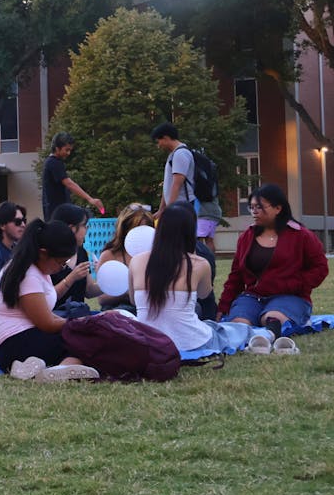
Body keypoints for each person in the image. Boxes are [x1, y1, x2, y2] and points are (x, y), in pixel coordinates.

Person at [129, 202, 274, 353]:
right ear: (190, 231)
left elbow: (134, 301)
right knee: (229, 331)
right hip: (190, 342)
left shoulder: (136, 261)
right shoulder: (198, 263)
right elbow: (204, 294)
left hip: (148, 343)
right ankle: (269, 333)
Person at [0, 219, 100, 381]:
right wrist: (81, 323)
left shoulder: (35, 270)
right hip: (14, 344)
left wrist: (77, 323)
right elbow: (47, 323)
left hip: (16, 342)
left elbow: (47, 315)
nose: (61, 268)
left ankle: (54, 369)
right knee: (83, 342)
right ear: (43, 253)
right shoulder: (28, 275)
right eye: (60, 263)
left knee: (81, 337)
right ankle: (60, 369)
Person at [218, 184, 328, 339]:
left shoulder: (301, 235)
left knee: (272, 319)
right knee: (239, 323)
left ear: (278, 208)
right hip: (252, 297)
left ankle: (266, 340)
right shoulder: (246, 237)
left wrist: (296, 284)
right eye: (252, 207)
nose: (254, 211)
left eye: (260, 207)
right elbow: (236, 276)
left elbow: (320, 267)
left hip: (290, 296)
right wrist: (223, 306)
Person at [96, 203, 155, 313]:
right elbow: (101, 298)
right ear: (125, 230)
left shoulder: (155, 254)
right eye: (136, 229)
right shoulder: (110, 255)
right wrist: (128, 293)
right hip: (120, 310)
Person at [48, 204, 102, 308]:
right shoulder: (47, 255)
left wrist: (109, 284)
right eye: (85, 225)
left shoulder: (81, 252)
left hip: (78, 315)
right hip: (54, 317)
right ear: (72, 228)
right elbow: (45, 299)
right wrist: (72, 277)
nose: (87, 230)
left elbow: (89, 290)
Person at [41, 132, 104, 220]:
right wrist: (90, 199)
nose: (69, 153)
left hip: (56, 212)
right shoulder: (54, 163)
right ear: (57, 148)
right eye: (66, 150)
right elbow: (69, 184)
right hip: (57, 214)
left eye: (70, 150)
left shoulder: (51, 162)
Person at [151, 122, 196, 220]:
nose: (158, 145)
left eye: (159, 141)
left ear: (166, 138)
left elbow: (177, 184)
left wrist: (169, 210)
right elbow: (168, 185)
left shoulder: (181, 154)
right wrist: (162, 209)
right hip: (176, 207)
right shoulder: (173, 155)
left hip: (181, 207)